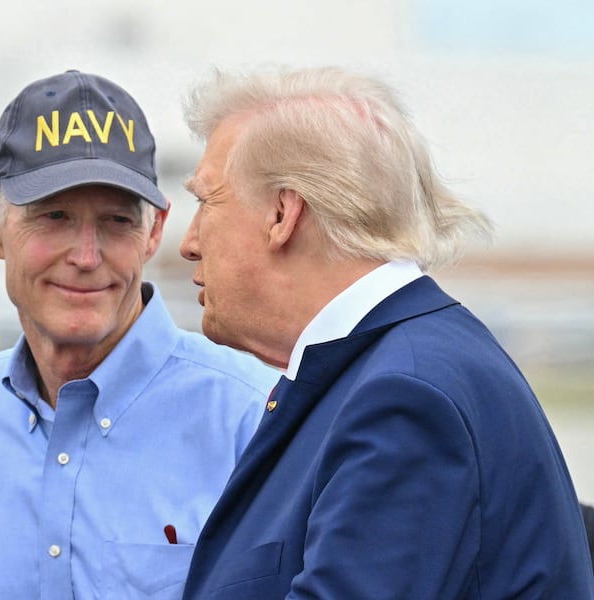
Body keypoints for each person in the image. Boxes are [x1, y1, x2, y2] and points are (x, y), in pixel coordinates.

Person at [178, 65, 594, 599]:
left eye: (206, 201)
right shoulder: (392, 371)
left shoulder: (404, 399)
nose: (189, 241)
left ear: (283, 213)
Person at [0, 69, 279, 600]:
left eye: (116, 222)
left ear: (154, 230)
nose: (86, 257)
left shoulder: (250, 419)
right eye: (54, 216)